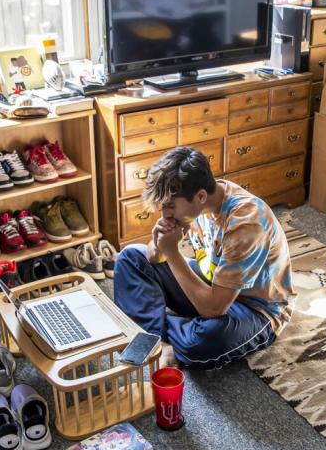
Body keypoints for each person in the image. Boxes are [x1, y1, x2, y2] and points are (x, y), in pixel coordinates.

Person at [113, 146, 294, 369]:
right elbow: (152, 258)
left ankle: (148, 324)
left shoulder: (247, 223)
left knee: (201, 342)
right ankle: (160, 341)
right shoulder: (198, 204)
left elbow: (214, 309)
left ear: (200, 196)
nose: (165, 215)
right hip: (214, 282)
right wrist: (160, 241)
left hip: (256, 309)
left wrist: (172, 253)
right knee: (130, 258)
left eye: (170, 207)